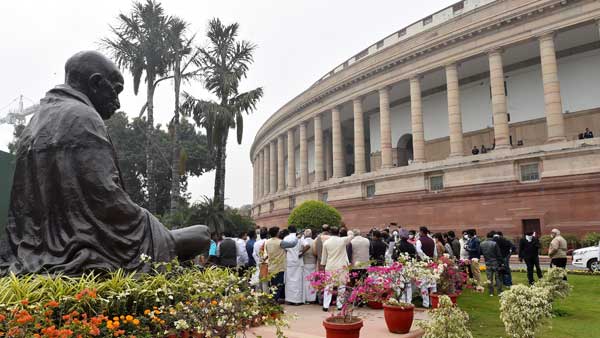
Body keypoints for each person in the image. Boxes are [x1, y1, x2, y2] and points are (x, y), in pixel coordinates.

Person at [2, 51, 210, 275]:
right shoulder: (84, 117)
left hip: (31, 251)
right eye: (116, 90)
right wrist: (155, 230)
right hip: (93, 248)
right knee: (202, 234)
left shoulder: (32, 125)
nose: (118, 103)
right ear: (96, 83)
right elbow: (107, 199)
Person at [321, 226, 351, 311]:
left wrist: (323, 265)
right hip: (342, 266)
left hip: (330, 265)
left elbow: (324, 257)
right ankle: (339, 305)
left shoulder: (326, 243)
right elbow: (351, 235)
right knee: (341, 285)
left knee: (328, 286)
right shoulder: (342, 240)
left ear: (330, 233)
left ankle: (325, 306)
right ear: (338, 233)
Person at [264, 227, 286, 303]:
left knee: (272, 285)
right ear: (277, 233)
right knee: (279, 285)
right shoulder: (280, 242)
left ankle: (272, 300)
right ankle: (274, 301)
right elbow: (292, 244)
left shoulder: (267, 242)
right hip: (279, 267)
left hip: (271, 266)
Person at [283, 225, 302, 305]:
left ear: (289, 230)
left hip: (289, 260)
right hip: (297, 260)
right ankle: (297, 300)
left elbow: (284, 249)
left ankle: (289, 299)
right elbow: (307, 245)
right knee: (297, 280)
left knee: (289, 280)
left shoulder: (286, 238)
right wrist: (301, 253)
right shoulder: (299, 238)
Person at [480, 232, 504, 296]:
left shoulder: (482, 244)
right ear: (492, 237)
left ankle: (491, 292)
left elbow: (481, 253)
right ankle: (499, 292)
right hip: (495, 262)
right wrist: (501, 262)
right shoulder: (494, 243)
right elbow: (498, 254)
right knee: (498, 278)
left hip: (487, 262)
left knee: (489, 278)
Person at [300, 229, 317, 304]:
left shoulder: (302, 242)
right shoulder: (314, 242)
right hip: (313, 262)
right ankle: (313, 298)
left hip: (305, 263)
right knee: (313, 280)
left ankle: (306, 298)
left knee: (306, 281)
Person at [252, 227, 269, 293]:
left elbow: (253, 254)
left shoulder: (256, 243)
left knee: (259, 281)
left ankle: (259, 296)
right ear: (267, 235)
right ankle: (266, 296)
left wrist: (258, 261)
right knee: (265, 282)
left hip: (259, 263)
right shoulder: (267, 242)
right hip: (267, 263)